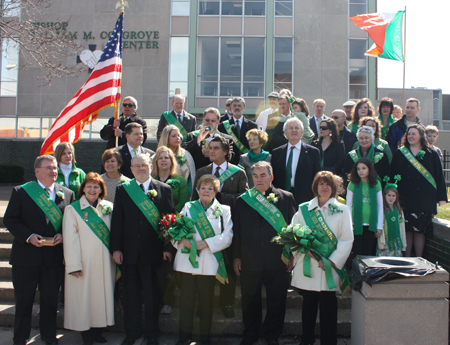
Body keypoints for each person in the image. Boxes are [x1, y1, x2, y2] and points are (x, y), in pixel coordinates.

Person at [4, 155, 75, 345]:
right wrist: (28, 236)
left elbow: (71, 223)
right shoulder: (21, 191)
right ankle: (20, 338)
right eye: (49, 168)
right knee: (24, 301)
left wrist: (63, 234)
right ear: (37, 171)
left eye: (55, 168)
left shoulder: (67, 193)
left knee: (50, 301)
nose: (53, 171)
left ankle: (49, 336)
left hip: (53, 259)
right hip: (25, 258)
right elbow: (10, 219)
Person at [111, 153, 175, 345]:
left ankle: (152, 334)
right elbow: (117, 222)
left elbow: (170, 222)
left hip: (154, 253)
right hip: (129, 253)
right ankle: (132, 333)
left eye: (144, 165)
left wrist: (167, 248)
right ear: (130, 170)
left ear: (150, 167)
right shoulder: (123, 190)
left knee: (152, 296)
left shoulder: (164, 189)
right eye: (136, 166)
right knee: (130, 296)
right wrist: (116, 249)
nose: (140, 169)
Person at [233, 161, 296, 345]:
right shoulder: (242, 199)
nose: (259, 179)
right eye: (255, 176)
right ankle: (250, 333)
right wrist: (236, 256)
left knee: (277, 301)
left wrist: (291, 255)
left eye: (263, 175)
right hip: (249, 259)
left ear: (272, 177)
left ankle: (272, 335)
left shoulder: (286, 198)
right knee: (250, 301)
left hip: (277, 259)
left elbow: (293, 229)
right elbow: (236, 230)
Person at [290, 171, 353, 345]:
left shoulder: (343, 209)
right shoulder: (304, 209)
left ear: (333, 188)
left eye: (328, 184)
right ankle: (307, 340)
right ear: (315, 187)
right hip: (308, 265)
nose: (324, 187)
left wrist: (332, 261)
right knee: (308, 306)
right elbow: (292, 233)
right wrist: (304, 250)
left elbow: (347, 239)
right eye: (321, 184)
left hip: (329, 267)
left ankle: (329, 341)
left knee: (328, 308)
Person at [191, 136, 248, 318]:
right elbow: (194, 198)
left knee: (228, 266)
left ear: (225, 151)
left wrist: (221, 198)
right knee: (204, 267)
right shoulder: (202, 171)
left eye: (216, 148)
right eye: (210, 148)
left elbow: (243, 198)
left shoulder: (238, 172)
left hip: (227, 225)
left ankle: (227, 303)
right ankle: (203, 304)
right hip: (204, 225)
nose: (211, 151)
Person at [173, 175, 233, 345]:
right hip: (187, 262)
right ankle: (184, 337)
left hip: (210, 263)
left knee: (207, 303)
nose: (206, 191)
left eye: (210, 188)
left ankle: (205, 338)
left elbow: (228, 236)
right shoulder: (187, 207)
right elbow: (175, 229)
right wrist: (182, 241)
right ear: (198, 190)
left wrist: (205, 243)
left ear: (216, 191)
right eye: (203, 187)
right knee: (186, 303)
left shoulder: (224, 210)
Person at [63, 172, 116, 345]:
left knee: (102, 298)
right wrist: (74, 265)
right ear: (83, 188)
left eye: (96, 186)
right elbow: (70, 241)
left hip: (106, 262)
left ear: (102, 189)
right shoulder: (73, 209)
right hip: (83, 263)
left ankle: (98, 331)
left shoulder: (109, 207)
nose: (93, 189)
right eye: (89, 186)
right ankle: (86, 335)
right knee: (84, 299)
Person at [390, 124, 447, 257]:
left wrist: (441, 197)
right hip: (405, 198)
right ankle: (408, 258)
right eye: (409, 134)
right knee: (407, 230)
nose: (410, 136)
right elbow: (393, 174)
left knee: (421, 231)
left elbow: (439, 176)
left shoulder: (431, 154)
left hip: (425, 198)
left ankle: (419, 258)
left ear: (421, 135)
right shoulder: (400, 153)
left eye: (413, 134)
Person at [272, 117, 321, 205]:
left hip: (305, 198)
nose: (294, 130)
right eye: (291, 128)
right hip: (281, 197)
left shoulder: (313, 152)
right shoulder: (276, 152)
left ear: (302, 132)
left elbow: (317, 177)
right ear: (285, 133)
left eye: (297, 128)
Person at [347, 158, 383, 257]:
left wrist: (379, 226)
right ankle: (357, 272)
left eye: (363, 168)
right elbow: (349, 205)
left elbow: (380, 206)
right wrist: (350, 224)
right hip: (356, 224)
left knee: (368, 252)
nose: (360, 171)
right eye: (358, 169)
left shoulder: (376, 184)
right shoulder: (353, 184)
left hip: (371, 224)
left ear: (369, 169)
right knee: (357, 252)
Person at [158, 124, 196, 194]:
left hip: (182, 194)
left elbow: (191, 178)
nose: (177, 138)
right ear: (166, 138)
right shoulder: (157, 156)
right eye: (174, 136)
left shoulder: (186, 154)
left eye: (178, 135)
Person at [151, 146, 189, 213]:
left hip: (173, 219)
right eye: (160, 158)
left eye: (166, 158)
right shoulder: (151, 179)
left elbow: (183, 202)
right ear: (156, 162)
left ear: (171, 161)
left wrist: (170, 216)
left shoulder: (180, 180)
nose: (163, 160)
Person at [377, 181, 407, 257]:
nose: (391, 198)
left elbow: (402, 227)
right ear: (384, 196)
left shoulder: (399, 210)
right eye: (389, 195)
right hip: (385, 241)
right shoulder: (382, 210)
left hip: (396, 241)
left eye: (393, 195)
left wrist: (403, 243)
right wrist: (380, 244)